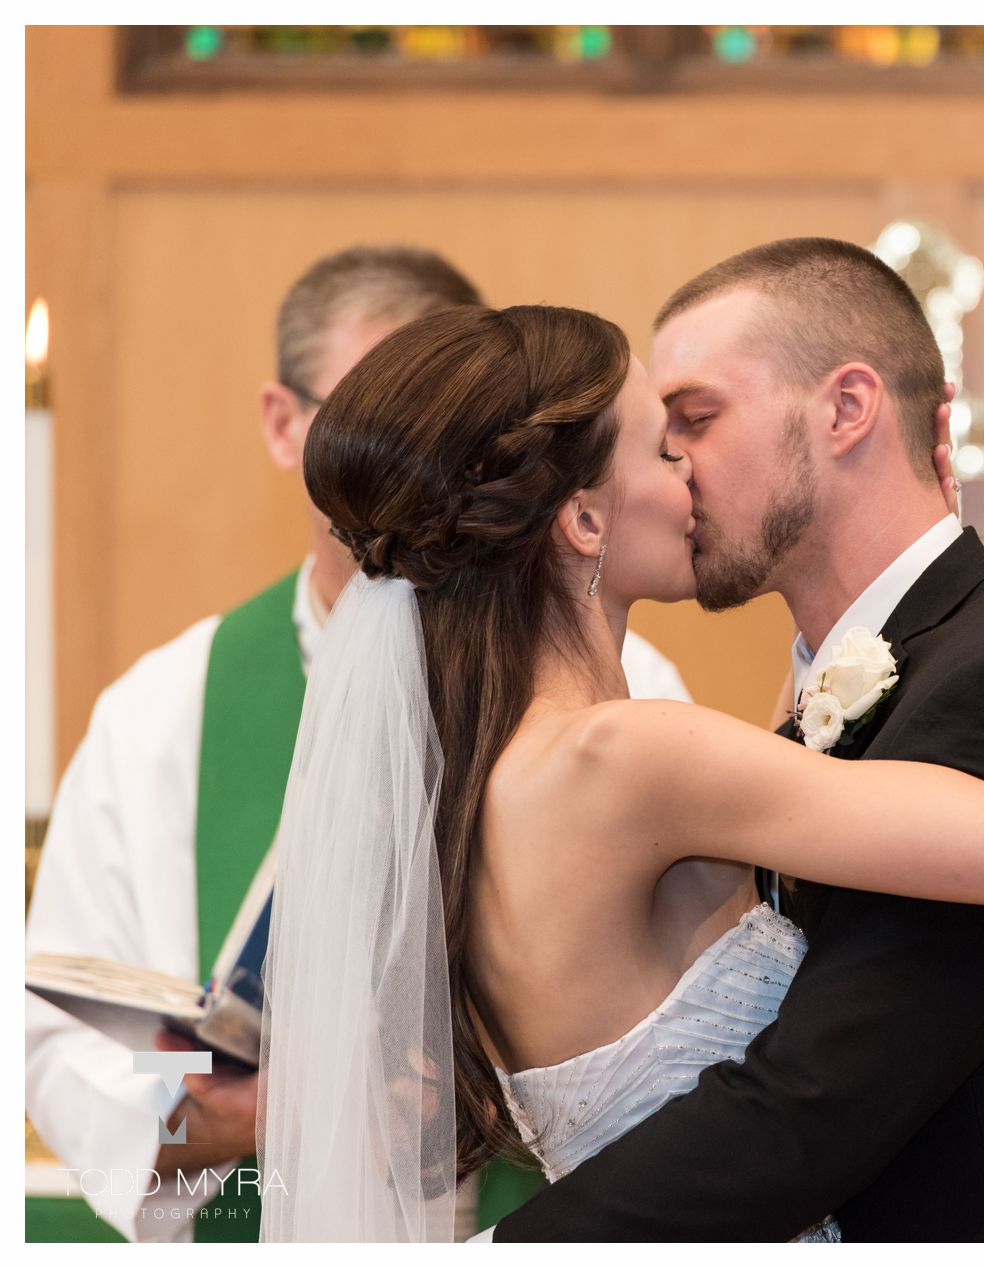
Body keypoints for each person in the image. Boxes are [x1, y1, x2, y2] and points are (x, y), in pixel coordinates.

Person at [258, 301, 984, 1240]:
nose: (691, 477)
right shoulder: (629, 756)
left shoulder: (484, 776)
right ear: (585, 521)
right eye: (664, 448)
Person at [23, 246, 690, 1244]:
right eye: (365, 418)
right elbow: (62, 1035)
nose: (413, 463)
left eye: (455, 434)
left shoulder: (634, 697)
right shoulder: (165, 711)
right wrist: (226, 1114)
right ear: (283, 423)